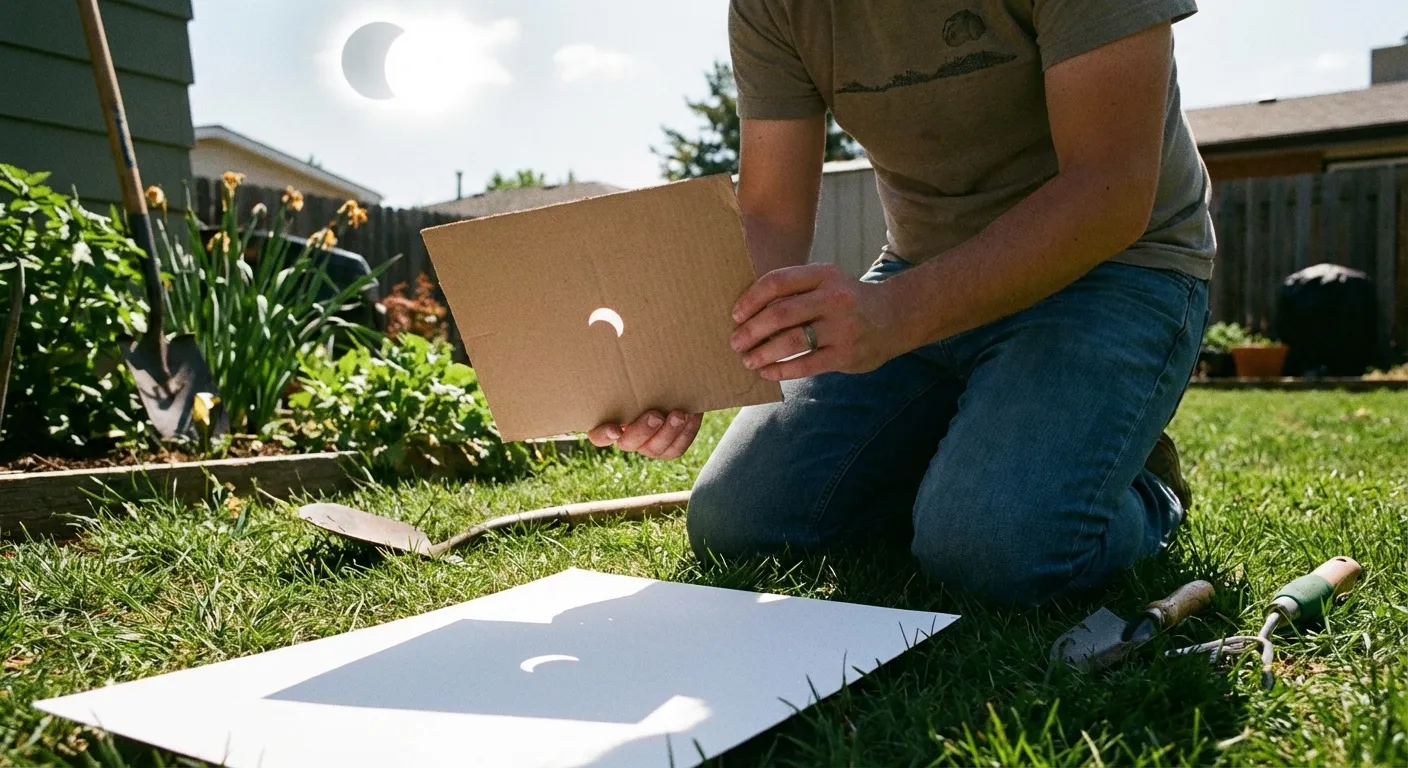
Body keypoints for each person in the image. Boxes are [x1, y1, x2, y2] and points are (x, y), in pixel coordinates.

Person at [588, 0, 1214, 607]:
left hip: (1117, 268)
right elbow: (770, 212)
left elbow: (1110, 188)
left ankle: (1146, 487)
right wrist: (691, 361)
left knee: (992, 555)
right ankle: (976, 458)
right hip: (916, 274)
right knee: (740, 523)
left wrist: (894, 315)